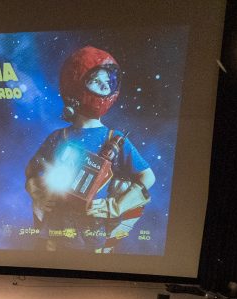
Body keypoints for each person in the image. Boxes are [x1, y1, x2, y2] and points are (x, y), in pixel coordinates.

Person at [25, 46, 154, 253]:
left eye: (107, 83)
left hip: (94, 239)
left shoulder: (116, 140)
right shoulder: (58, 138)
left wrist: (115, 206)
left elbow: (147, 177)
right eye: (95, 81)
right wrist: (38, 193)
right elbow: (31, 171)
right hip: (55, 237)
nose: (103, 87)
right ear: (75, 85)